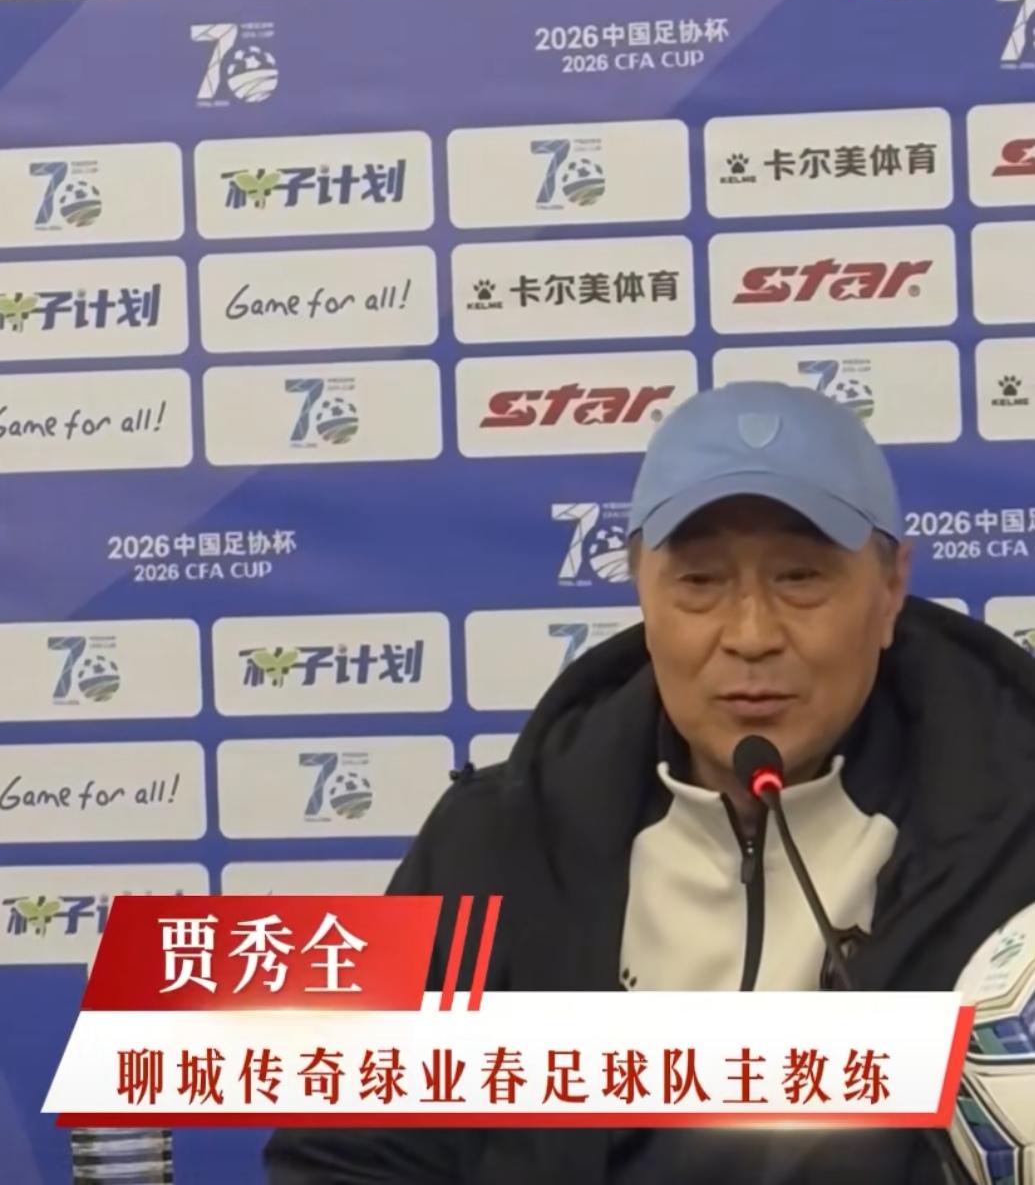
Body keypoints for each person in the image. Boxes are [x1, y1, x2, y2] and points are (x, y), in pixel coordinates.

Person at [265, 381, 1035, 1185]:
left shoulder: (1013, 842)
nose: (750, 635)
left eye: (800, 577)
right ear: (640, 587)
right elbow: (341, 1155)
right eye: (700, 582)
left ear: (889, 590)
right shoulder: (491, 842)